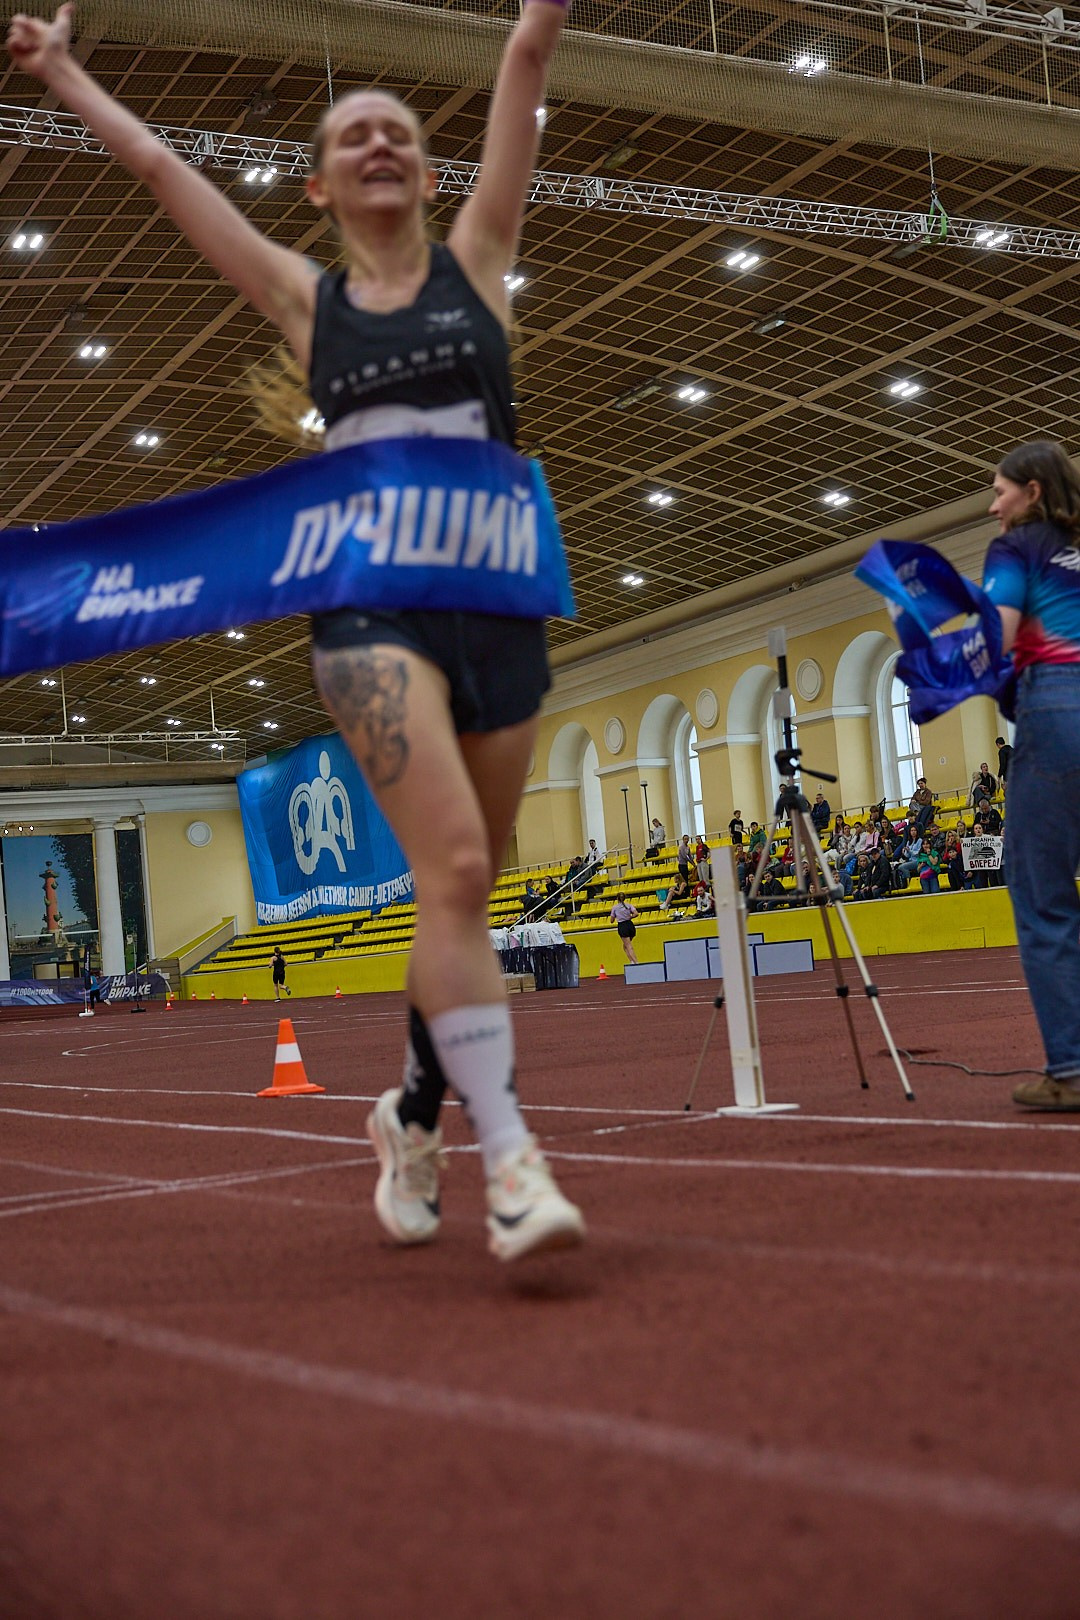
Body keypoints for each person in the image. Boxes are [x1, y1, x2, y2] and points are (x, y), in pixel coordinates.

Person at [7, 1, 585, 1254]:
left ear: (427, 174)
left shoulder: (479, 261)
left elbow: (527, 57)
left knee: (463, 900)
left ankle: (414, 1116)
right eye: (351, 136)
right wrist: (62, 73)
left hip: (498, 600)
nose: (377, 142)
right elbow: (165, 174)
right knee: (462, 875)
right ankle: (515, 1161)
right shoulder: (312, 305)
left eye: (396, 131)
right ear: (321, 187)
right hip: (368, 613)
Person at [609, 894, 639, 965]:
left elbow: (611, 920)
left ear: (617, 899)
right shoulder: (629, 905)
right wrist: (630, 917)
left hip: (623, 926)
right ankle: (631, 961)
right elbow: (636, 913)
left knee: (628, 946)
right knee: (625, 946)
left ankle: (636, 962)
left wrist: (617, 916)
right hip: (630, 925)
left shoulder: (615, 908)